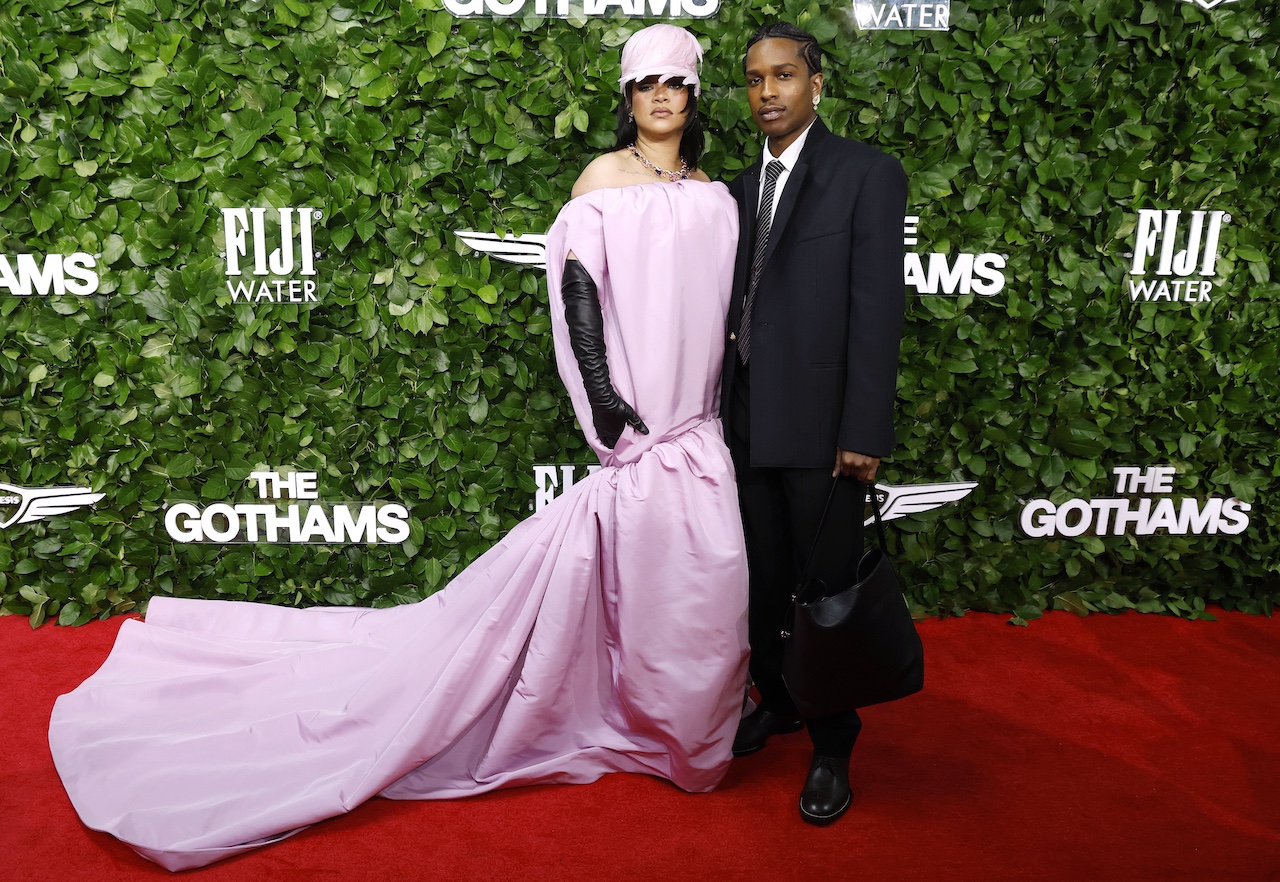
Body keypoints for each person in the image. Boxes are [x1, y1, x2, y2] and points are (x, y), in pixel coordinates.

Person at [48, 24, 747, 871]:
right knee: (656, 580)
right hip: (641, 430)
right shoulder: (602, 179)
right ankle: (647, 721)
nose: (662, 95)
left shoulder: (715, 187)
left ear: (696, 92)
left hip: (700, 430)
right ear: (626, 97)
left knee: (695, 588)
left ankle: (679, 727)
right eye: (646, 83)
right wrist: (602, 394)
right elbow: (579, 288)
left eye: (677, 81)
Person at [720, 23, 907, 826]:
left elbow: (877, 311)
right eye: (757, 79)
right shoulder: (732, 189)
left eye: (785, 76)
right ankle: (781, 702)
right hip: (744, 424)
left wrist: (863, 430)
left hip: (827, 429)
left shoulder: (866, 174)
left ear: (816, 84)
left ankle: (834, 745)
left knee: (823, 591)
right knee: (759, 586)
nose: (768, 92)